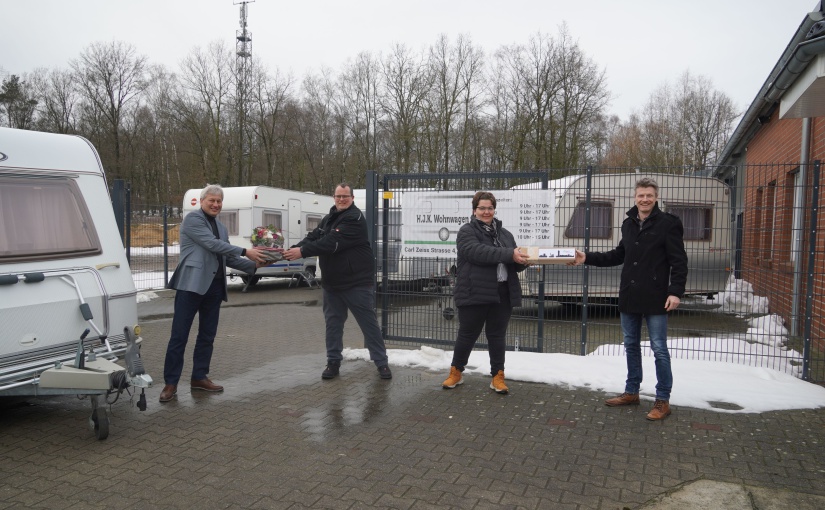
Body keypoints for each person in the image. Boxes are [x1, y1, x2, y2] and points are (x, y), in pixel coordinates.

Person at [568, 177, 688, 420]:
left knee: (659, 349)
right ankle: (632, 392)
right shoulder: (628, 223)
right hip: (630, 294)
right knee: (631, 345)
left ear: (656, 197)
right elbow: (619, 254)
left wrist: (675, 291)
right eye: (641, 195)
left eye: (649, 195)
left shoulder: (668, 224)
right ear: (635, 197)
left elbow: (679, 261)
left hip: (656, 297)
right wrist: (586, 257)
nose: (645, 199)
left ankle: (662, 400)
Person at [159, 184, 267, 403]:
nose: (216, 205)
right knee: (179, 336)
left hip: (215, 287)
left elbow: (226, 255)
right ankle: (170, 383)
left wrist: (255, 264)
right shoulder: (193, 220)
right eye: (212, 201)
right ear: (202, 201)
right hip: (191, 286)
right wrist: (246, 250)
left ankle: (199, 377)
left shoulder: (221, 227)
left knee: (207, 336)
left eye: (219, 201)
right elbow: (212, 244)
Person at [282, 183, 392, 380]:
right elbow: (314, 237)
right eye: (338, 196)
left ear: (352, 198)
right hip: (332, 285)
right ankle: (333, 362)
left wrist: (302, 252)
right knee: (333, 325)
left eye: (345, 196)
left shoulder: (354, 218)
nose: (341, 200)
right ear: (333, 197)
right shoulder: (329, 218)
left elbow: (330, 242)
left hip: (357, 283)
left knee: (369, 325)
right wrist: (293, 249)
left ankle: (381, 363)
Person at [441, 191, 530, 394]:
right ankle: (456, 372)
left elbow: (512, 264)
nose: (486, 211)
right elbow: (478, 253)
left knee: (497, 336)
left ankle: (498, 376)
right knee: (467, 335)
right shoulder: (466, 232)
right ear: (474, 210)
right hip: (475, 292)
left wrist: (525, 261)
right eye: (482, 208)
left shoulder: (505, 234)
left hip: (502, 293)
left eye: (490, 208)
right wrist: (510, 254)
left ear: (494, 209)